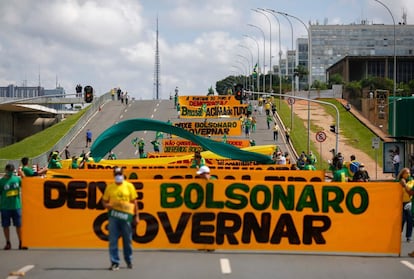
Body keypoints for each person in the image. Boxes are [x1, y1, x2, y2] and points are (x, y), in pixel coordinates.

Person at [102, 167, 138, 270]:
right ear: (114, 175)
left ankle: (129, 260)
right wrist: (107, 205)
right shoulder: (110, 187)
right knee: (113, 240)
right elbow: (104, 201)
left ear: (122, 174)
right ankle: (115, 262)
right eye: (116, 174)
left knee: (128, 240)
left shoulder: (129, 186)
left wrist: (137, 216)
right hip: (114, 216)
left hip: (126, 216)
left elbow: (134, 202)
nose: (118, 175)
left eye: (120, 173)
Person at [0, 164, 27, 250]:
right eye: (9, 171)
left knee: (19, 225)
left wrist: (23, 175)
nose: (10, 172)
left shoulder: (16, 179)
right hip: (5, 207)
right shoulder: (2, 182)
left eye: (12, 171)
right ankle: (8, 242)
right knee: (5, 225)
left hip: (16, 206)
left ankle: (21, 242)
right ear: (6, 170)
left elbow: (27, 185)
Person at [398, 168, 414, 245]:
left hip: (408, 202)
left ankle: (409, 237)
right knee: (401, 220)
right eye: (406, 173)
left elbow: (409, 189)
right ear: (402, 174)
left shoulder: (411, 180)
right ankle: (397, 235)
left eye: (409, 173)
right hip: (399, 203)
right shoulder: (398, 181)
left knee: (409, 219)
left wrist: (404, 184)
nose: (408, 174)